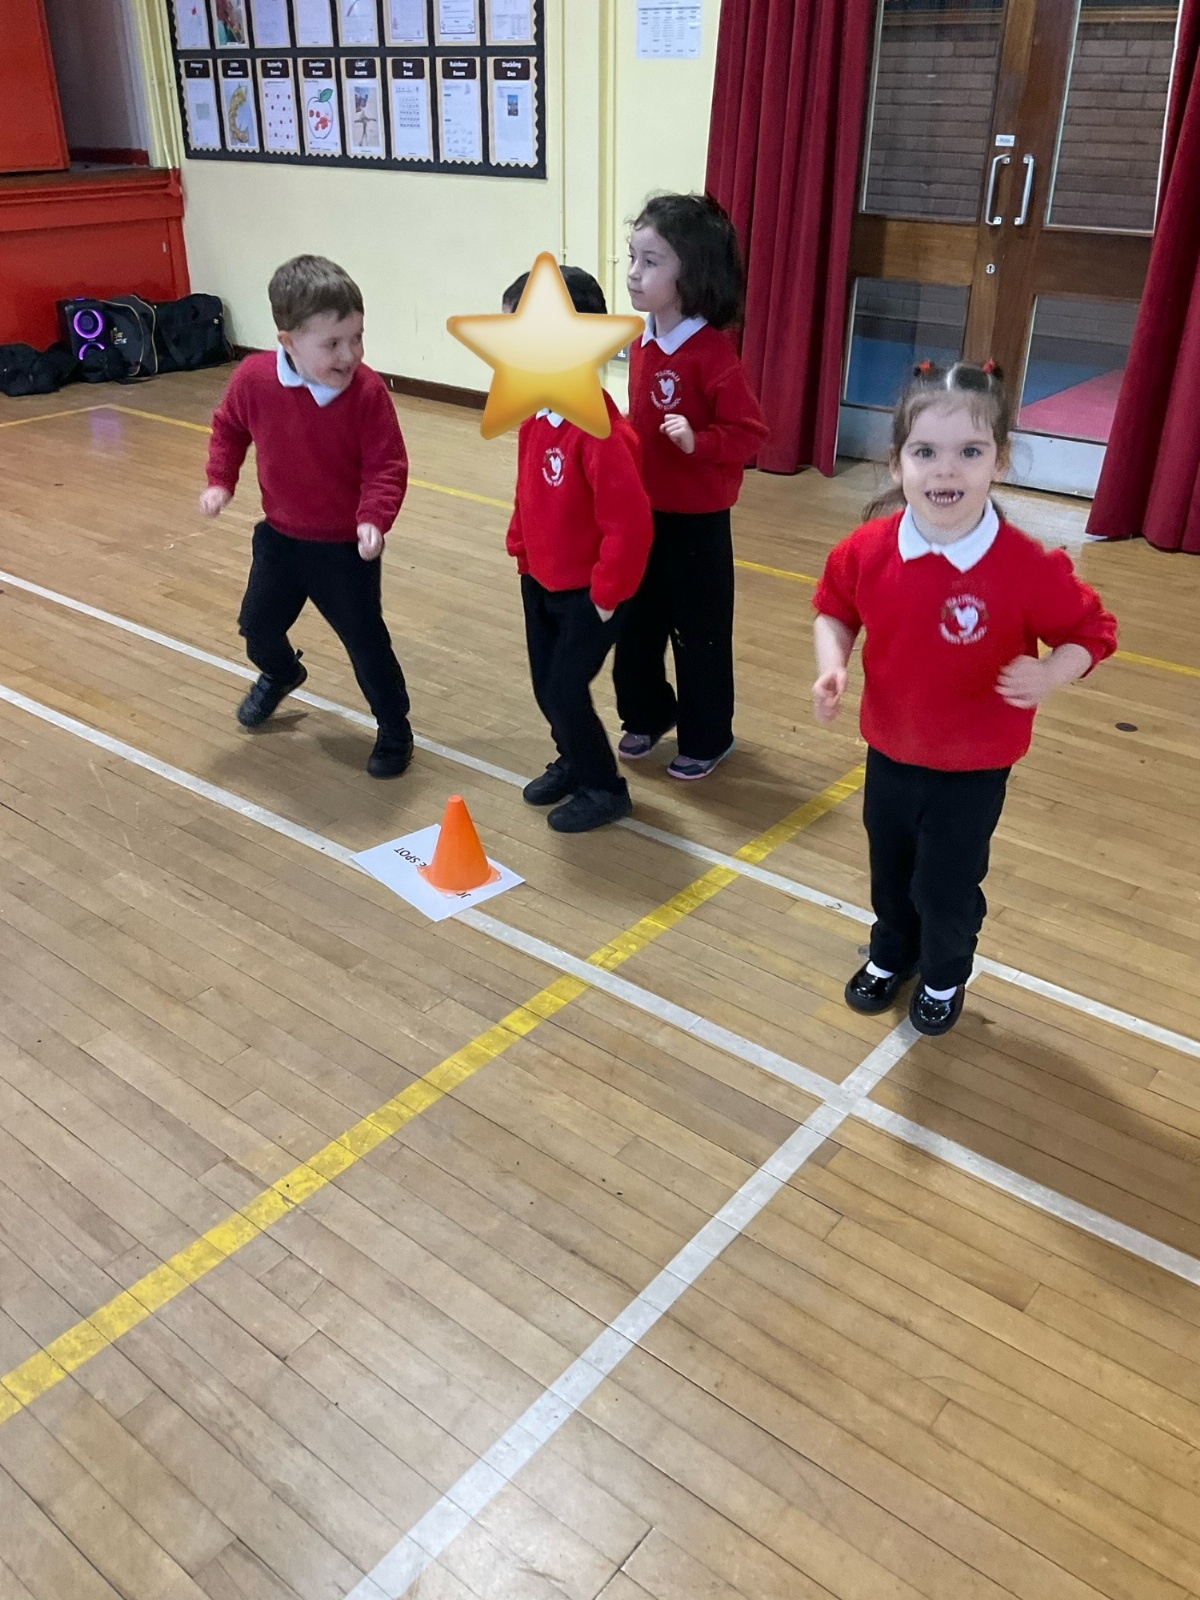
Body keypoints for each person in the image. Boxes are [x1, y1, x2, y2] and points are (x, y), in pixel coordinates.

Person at [811, 360, 1117, 1036]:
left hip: (975, 766)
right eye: (926, 452)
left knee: (945, 885)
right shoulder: (867, 550)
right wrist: (832, 666)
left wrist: (1052, 673)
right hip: (890, 751)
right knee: (890, 870)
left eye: (969, 452)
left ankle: (945, 971)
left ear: (999, 461)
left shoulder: (1025, 565)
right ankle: (892, 952)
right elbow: (835, 608)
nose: (945, 470)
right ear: (898, 462)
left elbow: (1092, 631)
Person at [199, 254, 413, 778]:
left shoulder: (367, 393)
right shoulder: (253, 379)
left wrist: (373, 517)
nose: (350, 354)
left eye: (357, 338)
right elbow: (229, 428)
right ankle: (280, 673)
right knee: (257, 628)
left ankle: (394, 728)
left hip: (344, 549)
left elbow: (387, 464)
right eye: (332, 344)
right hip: (281, 539)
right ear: (288, 341)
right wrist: (221, 480)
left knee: (366, 644)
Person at [614, 193, 768, 780]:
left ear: (691, 274)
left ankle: (708, 735)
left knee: (699, 637)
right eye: (632, 257)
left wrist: (698, 442)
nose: (634, 273)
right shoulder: (642, 343)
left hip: (698, 525)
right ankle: (648, 713)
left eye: (651, 261)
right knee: (636, 625)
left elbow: (749, 433)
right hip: (643, 515)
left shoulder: (711, 355)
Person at [502, 266, 654, 832]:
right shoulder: (535, 422)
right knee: (547, 687)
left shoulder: (600, 433)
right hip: (540, 581)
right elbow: (527, 494)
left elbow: (630, 525)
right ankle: (573, 758)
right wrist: (521, 549)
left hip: (592, 594)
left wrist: (607, 595)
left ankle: (604, 787)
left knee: (566, 690)